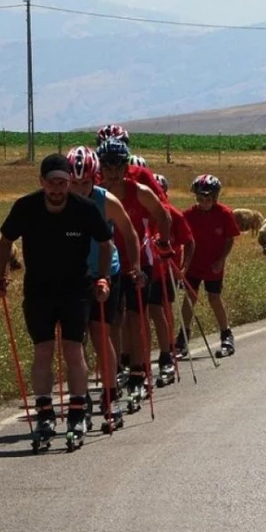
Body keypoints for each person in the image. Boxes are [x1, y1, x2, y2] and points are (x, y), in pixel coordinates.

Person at [0, 153, 114, 445]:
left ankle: (75, 411)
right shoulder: (25, 207)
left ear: (70, 181)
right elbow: (5, 240)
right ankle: (45, 412)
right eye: (52, 183)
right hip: (39, 291)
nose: (58, 190)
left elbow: (105, 243)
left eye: (62, 183)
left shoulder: (84, 209)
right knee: (43, 350)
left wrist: (104, 278)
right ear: (42, 182)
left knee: (74, 349)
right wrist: (1, 274)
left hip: (76, 290)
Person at [65, 146, 144, 424]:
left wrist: (134, 266)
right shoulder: (59, 200)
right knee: (74, 340)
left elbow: (129, 232)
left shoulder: (105, 200)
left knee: (101, 334)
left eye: (85, 182)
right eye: (74, 183)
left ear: (94, 178)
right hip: (71, 276)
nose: (79, 189)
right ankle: (81, 396)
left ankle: (110, 395)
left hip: (103, 273)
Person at [94, 139, 172, 403]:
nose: (113, 172)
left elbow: (163, 215)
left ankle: (139, 373)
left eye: (118, 166)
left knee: (136, 317)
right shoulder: (95, 194)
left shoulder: (138, 191)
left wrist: (162, 242)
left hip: (139, 262)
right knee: (112, 321)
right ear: (100, 167)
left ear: (126, 167)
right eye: (107, 166)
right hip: (109, 264)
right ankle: (116, 371)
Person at [179, 174, 241, 358]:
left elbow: (229, 239)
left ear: (215, 198)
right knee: (189, 298)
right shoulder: (188, 215)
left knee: (214, 298)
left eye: (207, 199)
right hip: (194, 264)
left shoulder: (224, 213)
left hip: (214, 264)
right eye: (200, 198)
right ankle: (182, 338)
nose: (204, 202)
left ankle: (226, 334)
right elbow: (182, 238)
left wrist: (221, 260)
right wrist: (183, 265)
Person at [146, 173, 196, 378]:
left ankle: (168, 350)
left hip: (168, 269)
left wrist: (183, 269)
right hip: (148, 268)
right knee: (145, 312)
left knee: (163, 311)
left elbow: (190, 242)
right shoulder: (143, 212)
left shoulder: (173, 214)